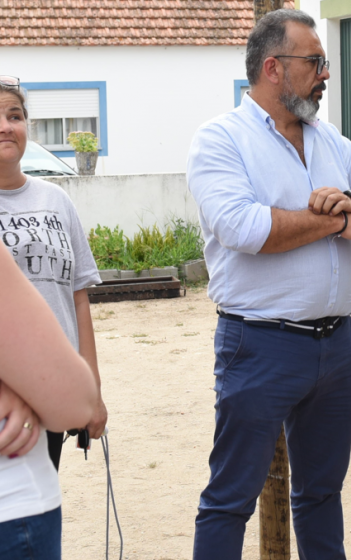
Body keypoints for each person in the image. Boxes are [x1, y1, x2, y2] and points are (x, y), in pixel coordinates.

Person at [186, 9, 351, 559]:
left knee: (322, 494)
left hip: (337, 346)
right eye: (315, 62)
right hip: (259, 345)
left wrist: (350, 201)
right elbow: (246, 228)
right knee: (230, 500)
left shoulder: (328, 138)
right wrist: (339, 223)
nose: (325, 73)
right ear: (274, 68)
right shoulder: (220, 140)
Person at [0, 78, 101, 557]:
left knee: (40, 490)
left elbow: (79, 297)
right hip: (9, 400)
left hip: (55, 387)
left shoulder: (56, 201)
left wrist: (91, 388)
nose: (5, 126)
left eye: (14, 115)